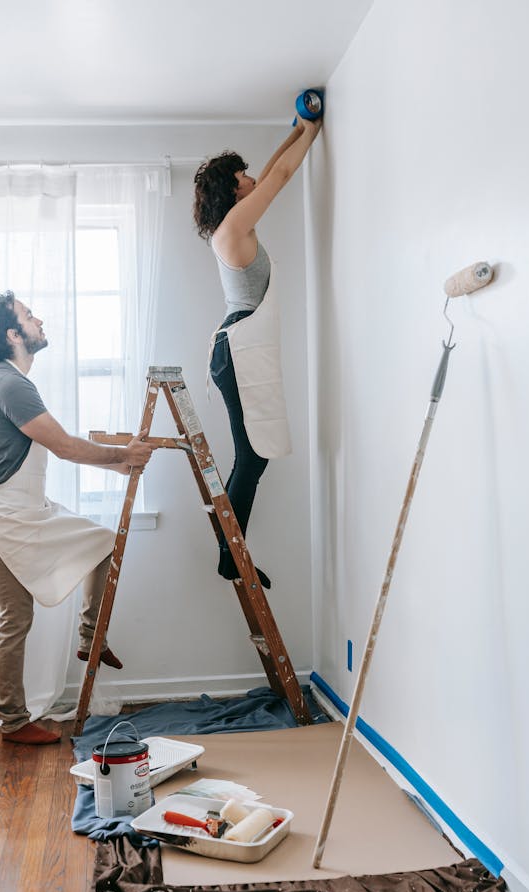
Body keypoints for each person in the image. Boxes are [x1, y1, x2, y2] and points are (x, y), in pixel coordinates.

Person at [0, 291, 152, 746]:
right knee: (14, 618)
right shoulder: (9, 384)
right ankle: (12, 721)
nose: (39, 320)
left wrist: (118, 463)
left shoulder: (8, 381)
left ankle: (89, 636)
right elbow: (64, 445)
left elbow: (59, 446)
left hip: (18, 509)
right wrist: (122, 455)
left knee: (101, 543)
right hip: (3, 515)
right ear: (13, 335)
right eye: (29, 316)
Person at [193, 115, 321, 589]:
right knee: (251, 457)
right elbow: (280, 178)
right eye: (240, 176)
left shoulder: (234, 225)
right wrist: (308, 135)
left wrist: (299, 129)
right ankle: (230, 553)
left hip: (238, 349)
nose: (250, 179)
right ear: (231, 190)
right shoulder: (232, 228)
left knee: (252, 456)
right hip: (237, 351)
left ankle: (230, 549)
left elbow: (270, 174)